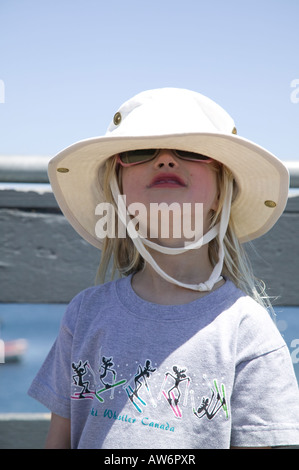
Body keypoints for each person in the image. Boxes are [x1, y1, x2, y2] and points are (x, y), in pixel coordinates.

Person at [28, 88, 299, 449]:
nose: (166, 160)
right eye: (141, 151)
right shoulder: (84, 315)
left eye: (192, 151)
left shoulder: (247, 331)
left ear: (221, 193)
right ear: (118, 189)